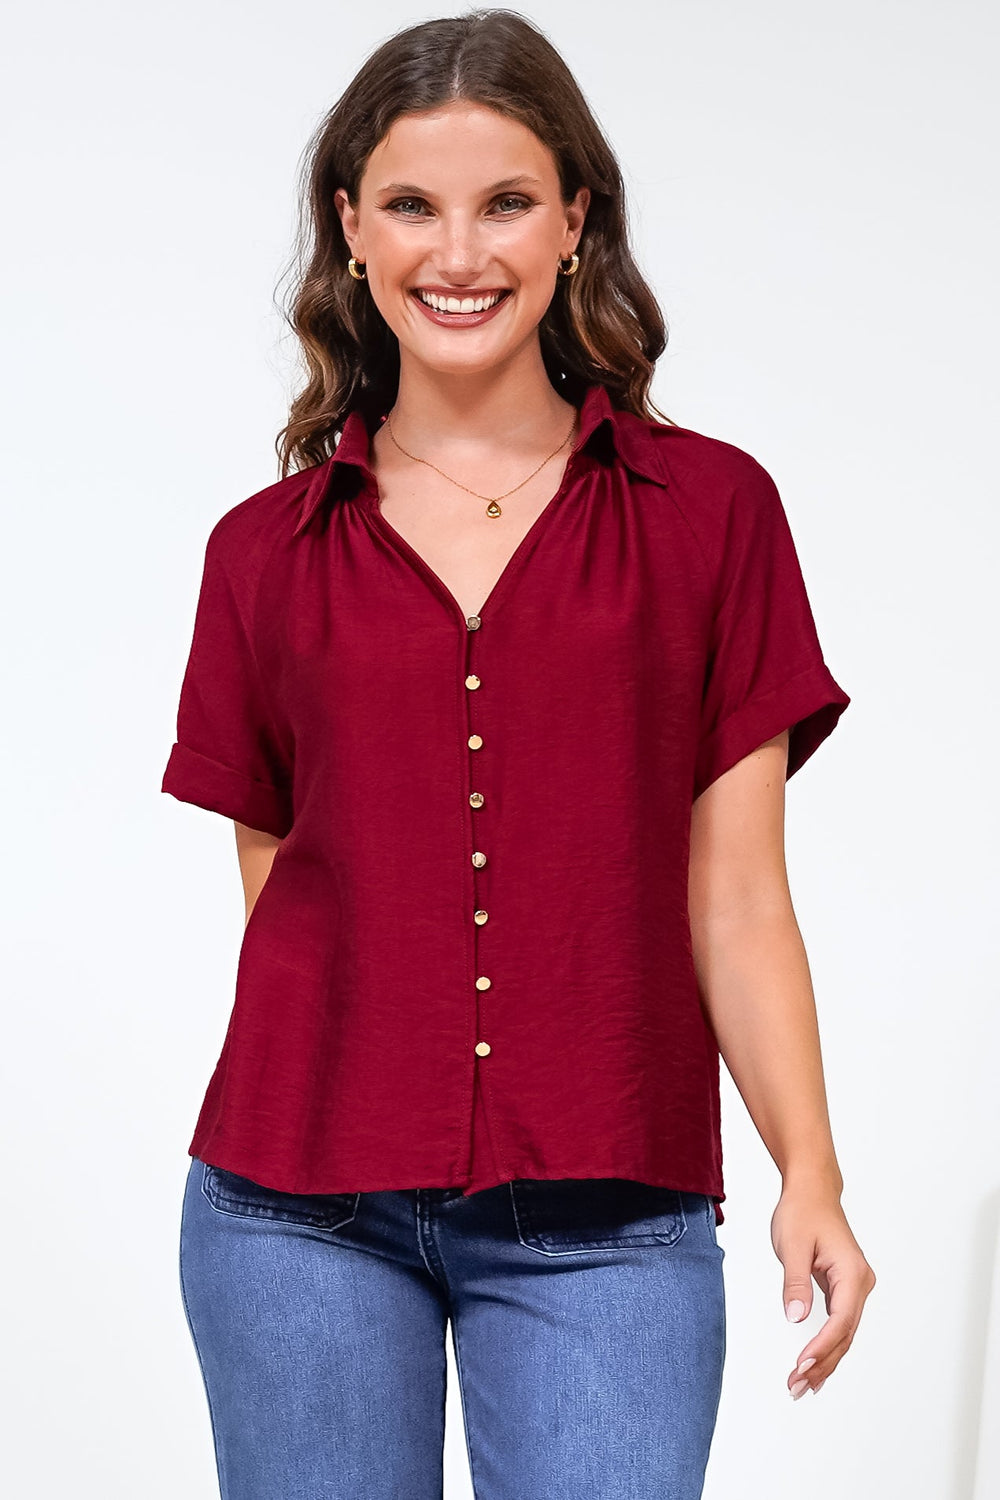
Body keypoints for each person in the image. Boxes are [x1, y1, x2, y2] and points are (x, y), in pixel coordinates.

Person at [162, 10, 876, 1499]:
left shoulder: (711, 517)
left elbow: (739, 896)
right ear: (350, 228)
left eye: (504, 203)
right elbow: (280, 884)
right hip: (295, 1214)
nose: (457, 253)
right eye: (411, 206)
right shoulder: (264, 554)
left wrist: (809, 1167)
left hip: (609, 1212)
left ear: (574, 220)